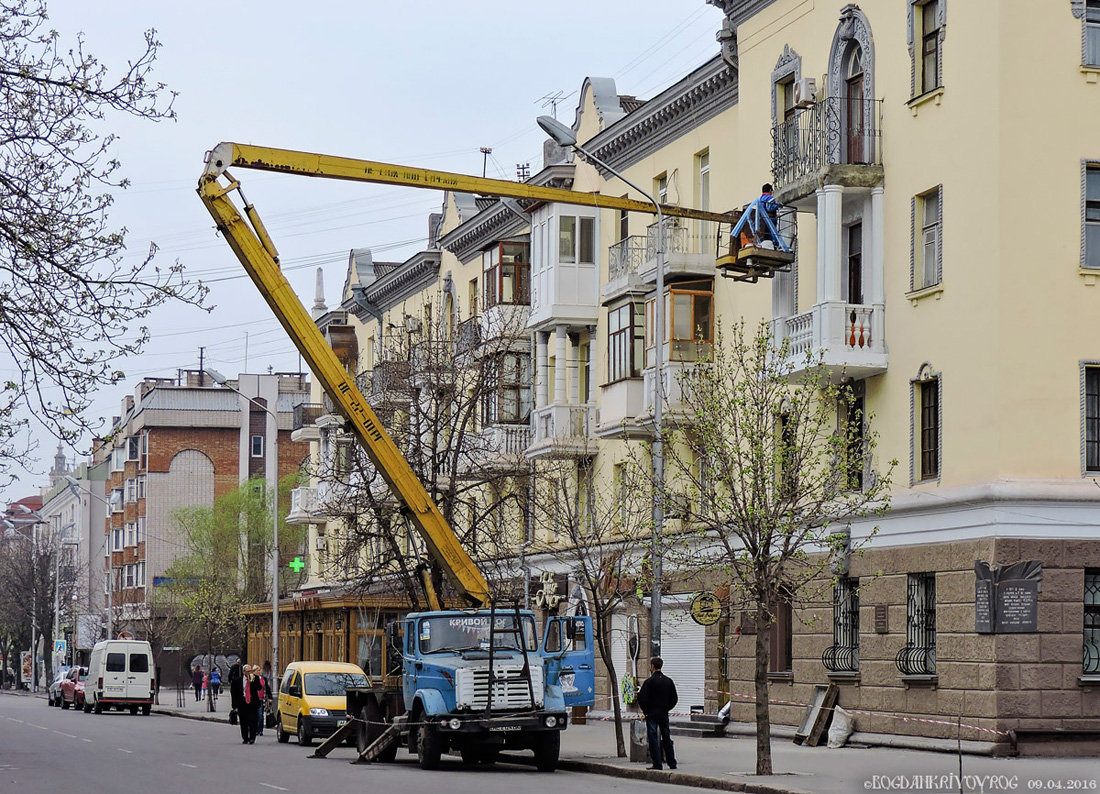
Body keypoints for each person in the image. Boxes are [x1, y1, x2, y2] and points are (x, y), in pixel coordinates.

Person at [637, 656, 678, 771]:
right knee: (666, 737)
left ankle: (657, 763)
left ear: (652, 666)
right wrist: (666, 708)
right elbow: (674, 698)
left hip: (652, 714)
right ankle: (672, 762)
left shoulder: (649, 682)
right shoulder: (668, 681)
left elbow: (642, 698)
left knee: (653, 738)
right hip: (663, 713)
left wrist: (646, 711)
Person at [237, 664, 261, 744]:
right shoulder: (239, 680)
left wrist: (253, 681)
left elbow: (259, 688)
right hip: (243, 703)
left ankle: (252, 738)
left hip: (252, 702)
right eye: (247, 671)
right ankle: (245, 738)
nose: (249, 673)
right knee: (244, 721)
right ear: (244, 672)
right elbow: (235, 692)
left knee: (252, 721)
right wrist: (235, 705)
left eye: (250, 671)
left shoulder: (255, 678)